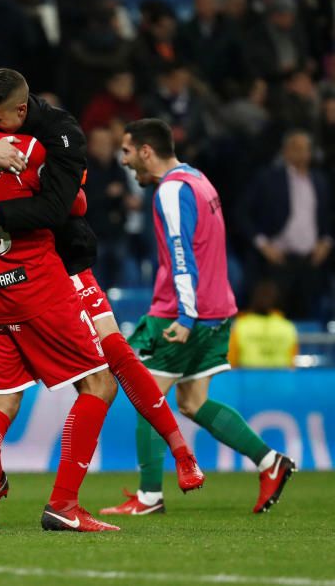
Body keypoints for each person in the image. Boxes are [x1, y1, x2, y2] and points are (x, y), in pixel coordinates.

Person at [0, 66, 202, 505]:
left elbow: (68, 205)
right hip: (17, 276)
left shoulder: (54, 135)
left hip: (58, 264)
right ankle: (15, 490)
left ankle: (181, 453)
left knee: (113, 357)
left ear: (17, 107)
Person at [0, 63, 121, 533]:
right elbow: (71, 206)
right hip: (36, 287)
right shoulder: (26, 150)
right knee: (99, 385)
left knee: (3, 401)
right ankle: (63, 505)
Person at [104, 118, 296, 516]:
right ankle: (269, 462)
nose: (122, 161)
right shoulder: (198, 180)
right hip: (218, 308)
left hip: (183, 312)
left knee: (148, 398)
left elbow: (180, 254)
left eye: (125, 151)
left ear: (145, 151)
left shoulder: (171, 191)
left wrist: (186, 316)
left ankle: (148, 497)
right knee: (192, 402)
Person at [244, 130, 331, 319]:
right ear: (285, 151)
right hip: (278, 259)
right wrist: (262, 244)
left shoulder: (320, 181)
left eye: (305, 149)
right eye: (295, 148)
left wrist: (326, 241)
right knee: (276, 314)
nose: (301, 153)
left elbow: (328, 216)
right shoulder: (268, 178)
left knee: (308, 315)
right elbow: (243, 213)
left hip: (310, 261)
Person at [228, 280, 298, 369]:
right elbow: (292, 364)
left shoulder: (241, 326)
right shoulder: (288, 327)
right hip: (280, 381)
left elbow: (232, 362)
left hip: (249, 381)